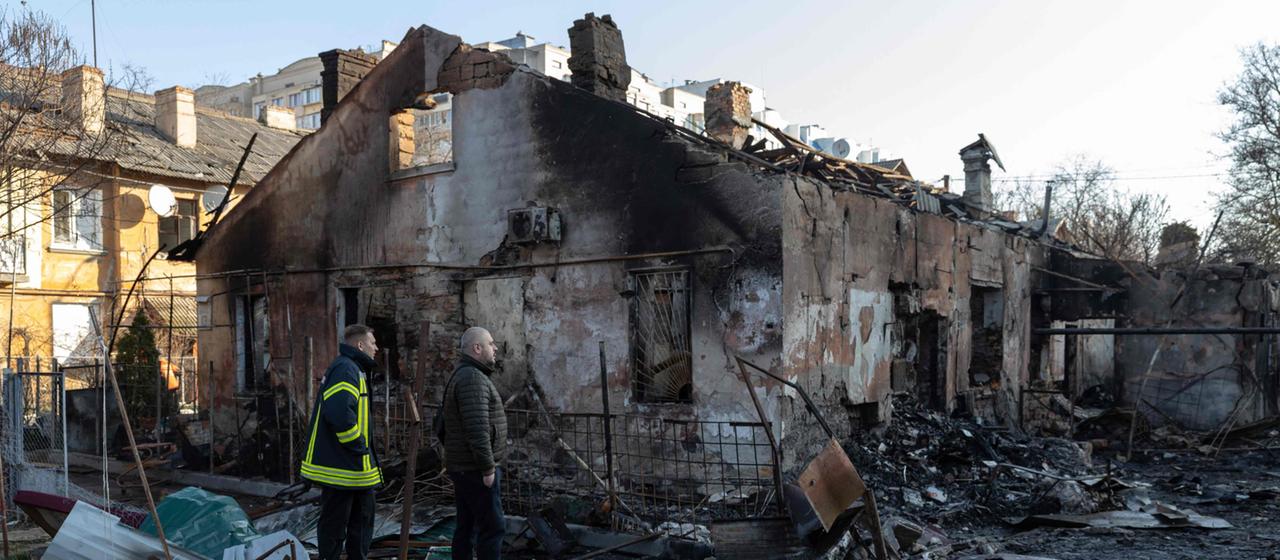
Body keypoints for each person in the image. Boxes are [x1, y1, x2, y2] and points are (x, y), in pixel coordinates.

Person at [301, 324, 383, 560]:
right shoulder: (346, 369)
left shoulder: (353, 368)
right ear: (359, 345)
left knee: (362, 520)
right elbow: (339, 413)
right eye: (372, 342)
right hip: (343, 467)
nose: (376, 348)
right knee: (336, 524)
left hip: (354, 467)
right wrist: (358, 444)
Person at [441, 326, 508, 559]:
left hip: (465, 467)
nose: (495, 348)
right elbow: (477, 428)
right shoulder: (472, 378)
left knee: (467, 526)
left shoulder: (465, 374)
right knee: (492, 528)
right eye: (491, 343)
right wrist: (487, 468)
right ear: (476, 348)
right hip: (475, 469)